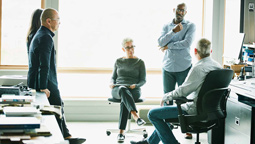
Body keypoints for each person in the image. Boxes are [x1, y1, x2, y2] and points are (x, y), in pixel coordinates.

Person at [130, 38, 222, 144]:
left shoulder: (199, 68)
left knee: (152, 114)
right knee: (165, 116)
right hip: (211, 112)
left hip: (193, 111)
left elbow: (183, 91)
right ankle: (149, 142)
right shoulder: (218, 67)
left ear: (195, 51)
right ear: (211, 51)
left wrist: (166, 96)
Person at [27, 8, 85, 143]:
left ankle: (66, 136)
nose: (60, 23)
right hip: (45, 82)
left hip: (43, 80)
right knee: (56, 108)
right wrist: (43, 87)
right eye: (58, 20)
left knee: (57, 107)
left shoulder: (40, 35)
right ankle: (64, 138)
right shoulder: (45, 37)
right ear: (48, 21)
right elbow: (44, 65)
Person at [158, 3, 196, 139]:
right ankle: (166, 127)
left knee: (184, 97)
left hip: (183, 66)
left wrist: (169, 46)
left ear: (186, 12)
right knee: (167, 96)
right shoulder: (166, 26)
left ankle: (187, 128)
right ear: (174, 10)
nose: (180, 12)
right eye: (178, 10)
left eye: (183, 10)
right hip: (168, 66)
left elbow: (187, 43)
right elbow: (160, 41)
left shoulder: (190, 26)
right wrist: (173, 32)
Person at [110, 38, 146, 143]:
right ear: (123, 49)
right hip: (118, 89)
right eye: (128, 47)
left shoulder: (140, 62)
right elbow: (113, 77)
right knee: (122, 90)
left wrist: (136, 85)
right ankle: (136, 116)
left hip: (133, 90)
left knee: (124, 98)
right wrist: (111, 83)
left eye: (132, 47)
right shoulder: (118, 61)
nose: (131, 49)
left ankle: (121, 133)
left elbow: (143, 80)